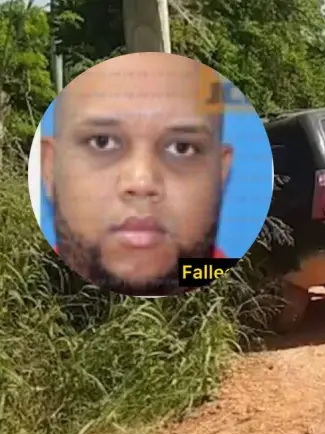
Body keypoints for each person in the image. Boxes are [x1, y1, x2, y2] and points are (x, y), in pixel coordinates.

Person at [40, 52, 234, 296]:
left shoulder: (241, 281)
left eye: (182, 147)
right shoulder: (32, 275)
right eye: (102, 142)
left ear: (221, 172)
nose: (141, 182)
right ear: (50, 166)